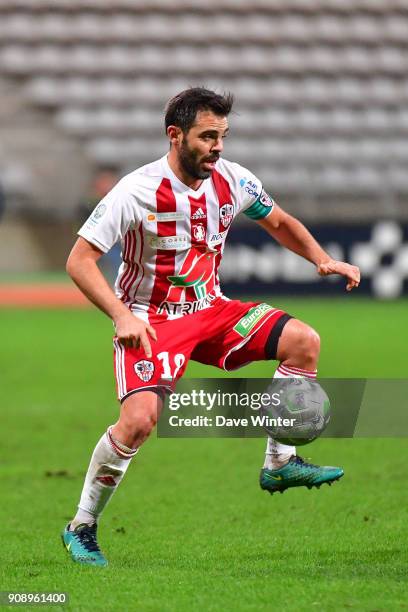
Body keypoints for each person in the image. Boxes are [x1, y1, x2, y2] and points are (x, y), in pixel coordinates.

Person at [62, 88, 360, 566]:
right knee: (138, 423)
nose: (218, 146)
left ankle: (280, 463)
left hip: (212, 309)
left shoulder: (234, 179)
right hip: (151, 319)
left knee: (304, 341)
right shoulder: (137, 190)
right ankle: (82, 525)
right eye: (207, 136)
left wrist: (322, 259)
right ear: (175, 135)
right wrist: (121, 315)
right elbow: (80, 260)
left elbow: (279, 221)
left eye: (222, 135)